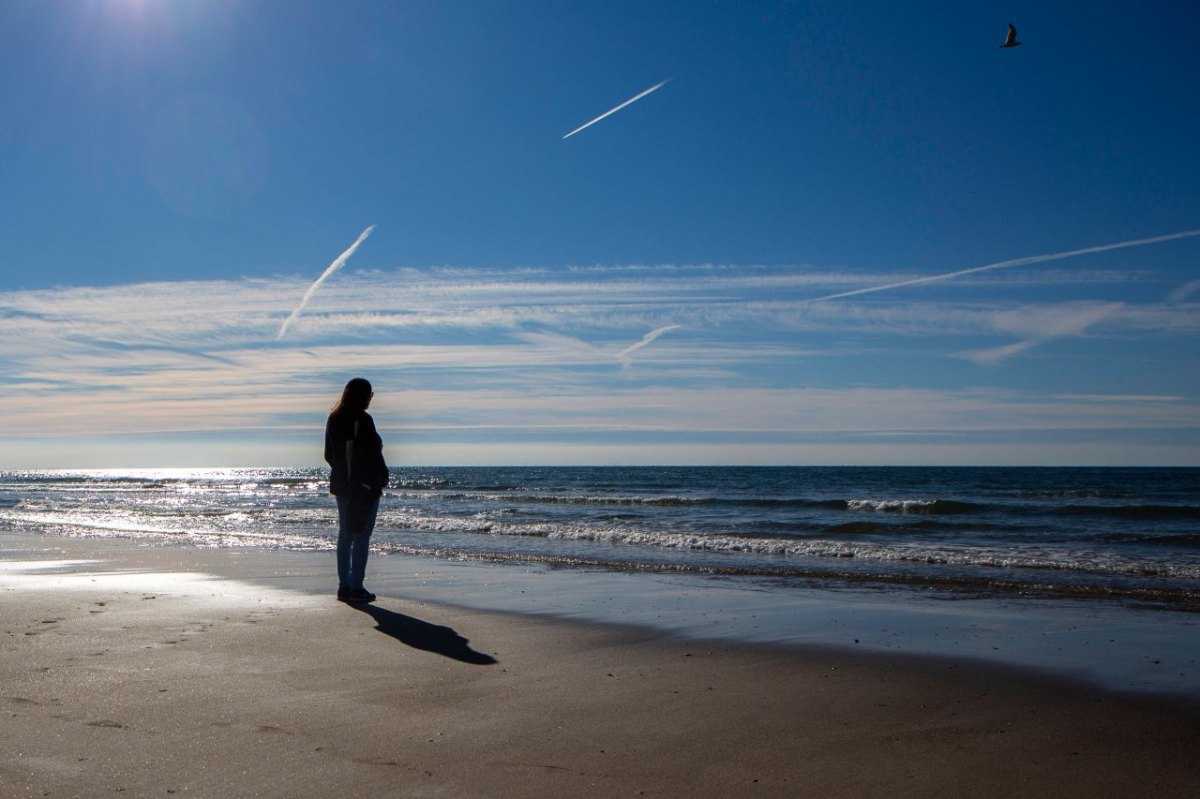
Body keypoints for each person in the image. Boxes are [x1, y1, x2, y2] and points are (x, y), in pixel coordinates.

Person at [324, 377, 389, 602]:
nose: (371, 399)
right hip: (364, 486)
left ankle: (344, 586)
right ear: (363, 396)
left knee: (346, 534)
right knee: (361, 535)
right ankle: (357, 586)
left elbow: (328, 455)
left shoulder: (333, 419)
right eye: (370, 395)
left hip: (342, 485)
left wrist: (343, 471)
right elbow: (374, 453)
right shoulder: (363, 419)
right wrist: (382, 476)